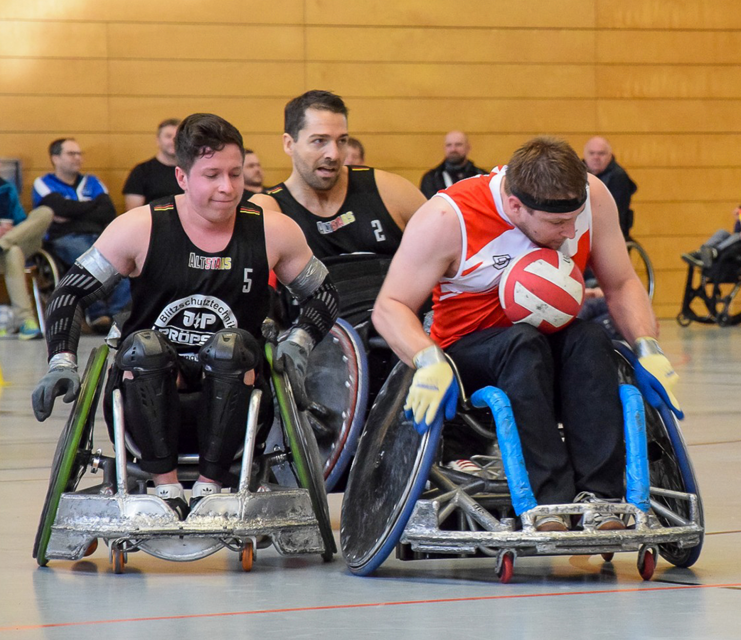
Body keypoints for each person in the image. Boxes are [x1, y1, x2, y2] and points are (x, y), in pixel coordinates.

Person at [31, 113, 341, 517]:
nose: (227, 188)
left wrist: (299, 343)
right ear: (181, 177)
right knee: (144, 347)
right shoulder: (138, 228)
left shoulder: (273, 230)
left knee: (234, 347)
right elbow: (69, 293)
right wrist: (61, 362)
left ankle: (211, 488)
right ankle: (166, 488)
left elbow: (325, 294)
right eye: (211, 175)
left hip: (240, 395)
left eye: (235, 173)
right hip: (146, 393)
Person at [372, 136, 683, 532]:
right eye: (556, 223)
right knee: (523, 344)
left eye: (575, 217)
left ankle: (602, 499)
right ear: (516, 205)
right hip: (471, 354)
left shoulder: (595, 198)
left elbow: (620, 283)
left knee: (591, 337)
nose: (571, 232)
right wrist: (426, 358)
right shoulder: (448, 218)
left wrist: (648, 347)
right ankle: (548, 500)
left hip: (551, 349)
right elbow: (390, 305)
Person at [251, 90, 425, 328]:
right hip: (324, 344)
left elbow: (455, 252)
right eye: (319, 141)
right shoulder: (268, 209)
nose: (333, 154)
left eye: (341, 141)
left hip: (403, 330)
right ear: (289, 144)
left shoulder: (389, 189)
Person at [32, 138, 130, 332]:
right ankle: (98, 315)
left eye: (79, 154)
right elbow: (57, 208)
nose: (77, 158)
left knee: (124, 260)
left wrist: (71, 213)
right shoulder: (43, 183)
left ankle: (119, 315)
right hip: (63, 239)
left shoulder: (92, 182)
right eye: (71, 154)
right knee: (93, 261)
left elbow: (108, 212)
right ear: (55, 158)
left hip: (98, 235)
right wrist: (90, 210)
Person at [0, 175, 52, 339]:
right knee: (13, 252)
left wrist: (10, 232)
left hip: (13, 240)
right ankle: (26, 320)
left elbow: (21, 221)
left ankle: (3, 243)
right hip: (11, 253)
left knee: (45, 212)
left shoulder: (6, 188)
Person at [583, 136, 638, 239]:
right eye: (591, 153)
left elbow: (615, 215)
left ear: (610, 155)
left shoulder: (618, 177)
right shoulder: (577, 172)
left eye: (601, 153)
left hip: (610, 233)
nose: (596, 157)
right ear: (585, 155)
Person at [123, 118, 183, 210]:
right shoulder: (141, 172)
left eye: (177, 137)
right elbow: (133, 211)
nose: (173, 141)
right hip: (153, 223)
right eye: (168, 136)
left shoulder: (191, 170)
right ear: (158, 140)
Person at [419, 130, 487, 198]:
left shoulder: (482, 177)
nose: (453, 149)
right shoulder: (431, 178)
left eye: (458, 145)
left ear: (468, 147)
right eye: (449, 145)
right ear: (444, 148)